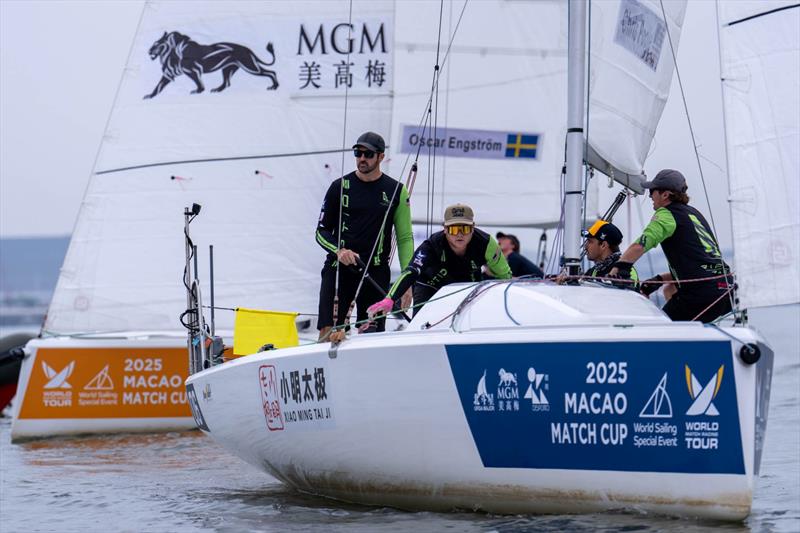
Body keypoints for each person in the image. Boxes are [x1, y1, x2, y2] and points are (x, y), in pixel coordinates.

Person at [315, 132, 414, 340]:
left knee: (371, 337)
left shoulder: (396, 190)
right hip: (339, 270)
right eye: (358, 153)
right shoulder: (339, 187)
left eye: (368, 154)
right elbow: (321, 231)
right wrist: (339, 251)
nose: (362, 158)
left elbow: (404, 238)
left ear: (380, 157)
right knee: (328, 334)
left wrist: (407, 282)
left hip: (375, 272)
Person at [609, 169, 732, 322]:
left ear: (665, 194)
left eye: (653, 191)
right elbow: (698, 263)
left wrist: (619, 268)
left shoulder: (667, 214)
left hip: (702, 294)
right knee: (669, 290)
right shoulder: (693, 214)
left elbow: (641, 244)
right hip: (726, 290)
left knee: (661, 331)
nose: (650, 196)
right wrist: (659, 279)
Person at [367, 203, 512, 317]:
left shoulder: (485, 243)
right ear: (445, 229)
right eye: (454, 230)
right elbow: (411, 270)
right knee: (422, 325)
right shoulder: (432, 245)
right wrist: (390, 299)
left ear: (473, 228)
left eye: (465, 229)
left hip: (467, 286)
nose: (460, 234)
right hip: (430, 286)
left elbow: (505, 275)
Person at [581, 220, 638, 288]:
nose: (585, 246)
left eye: (590, 241)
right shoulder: (593, 272)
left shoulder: (626, 271)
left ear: (603, 245)